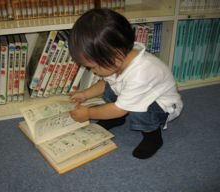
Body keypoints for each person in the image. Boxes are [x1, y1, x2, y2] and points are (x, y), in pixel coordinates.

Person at [67, 8, 183, 159]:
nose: (93, 71)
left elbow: (119, 109)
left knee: (140, 109)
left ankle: (153, 136)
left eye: (93, 67)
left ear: (115, 56)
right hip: (134, 95)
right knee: (109, 86)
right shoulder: (119, 60)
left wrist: (88, 113)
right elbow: (104, 84)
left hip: (162, 106)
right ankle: (115, 120)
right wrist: (84, 94)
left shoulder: (141, 74)